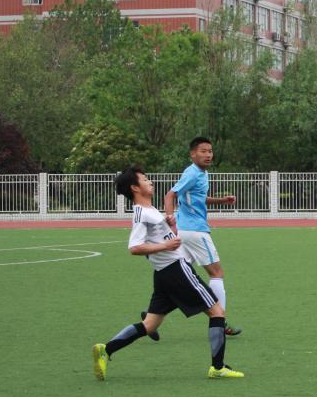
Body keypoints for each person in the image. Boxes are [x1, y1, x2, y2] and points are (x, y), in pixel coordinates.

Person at [92, 166, 244, 381]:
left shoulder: (150, 210)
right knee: (217, 312)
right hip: (176, 270)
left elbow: (158, 237)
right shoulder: (142, 213)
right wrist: (166, 245)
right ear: (135, 188)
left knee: (150, 325)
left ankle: (106, 350)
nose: (150, 182)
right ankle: (218, 368)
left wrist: (169, 227)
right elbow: (135, 247)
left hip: (164, 274)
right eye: (145, 179)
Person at [163, 137, 242, 336]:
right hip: (195, 232)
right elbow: (170, 195)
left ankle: (151, 317)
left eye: (210, 151)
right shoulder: (192, 173)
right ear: (193, 154)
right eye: (203, 151)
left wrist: (222, 200)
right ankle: (219, 321)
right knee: (216, 273)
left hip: (186, 231)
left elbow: (197, 198)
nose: (208, 155)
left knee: (182, 278)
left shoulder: (200, 173)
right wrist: (170, 219)